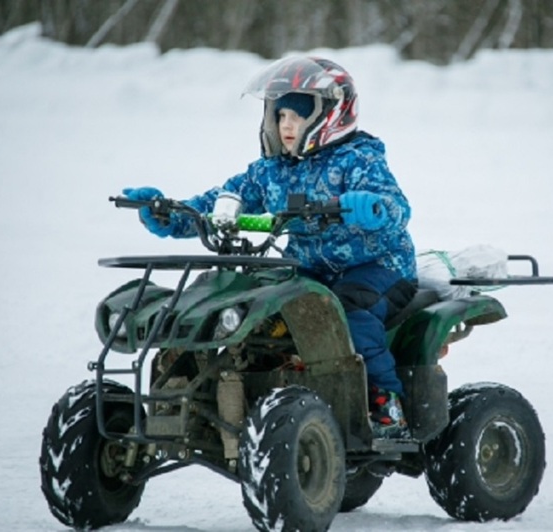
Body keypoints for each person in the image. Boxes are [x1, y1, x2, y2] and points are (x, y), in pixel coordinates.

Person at [123, 56, 416, 438]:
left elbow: (396, 206)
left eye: (298, 114)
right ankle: (272, 392)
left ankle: (386, 405)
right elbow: (224, 200)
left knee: (350, 313)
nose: (287, 125)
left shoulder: (358, 159)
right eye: (280, 116)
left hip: (378, 268)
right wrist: (172, 213)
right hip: (310, 268)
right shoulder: (271, 171)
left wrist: (371, 207)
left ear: (331, 114)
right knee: (266, 315)